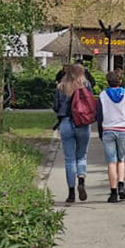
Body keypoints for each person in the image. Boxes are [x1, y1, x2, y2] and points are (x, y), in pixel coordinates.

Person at [53, 63, 93, 203]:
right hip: (82, 123)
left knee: (69, 159)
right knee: (82, 156)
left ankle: (71, 192)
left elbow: (56, 106)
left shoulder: (61, 86)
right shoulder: (85, 85)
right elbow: (90, 104)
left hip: (66, 123)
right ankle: (81, 181)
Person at [97, 70, 125, 203]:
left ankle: (113, 192)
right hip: (123, 128)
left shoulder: (102, 95)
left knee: (111, 161)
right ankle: (121, 185)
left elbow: (99, 115)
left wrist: (100, 131)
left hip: (108, 128)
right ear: (120, 81)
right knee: (121, 159)